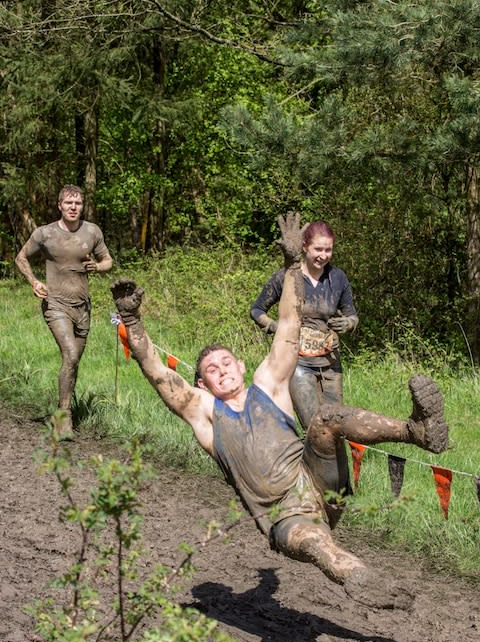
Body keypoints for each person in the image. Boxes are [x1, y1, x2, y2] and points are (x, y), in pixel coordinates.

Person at [111, 212, 448, 610]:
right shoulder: (204, 413)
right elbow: (156, 372)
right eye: (211, 371)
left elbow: (289, 323)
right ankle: (362, 577)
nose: (221, 372)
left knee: (326, 418)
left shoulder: (268, 385)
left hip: (319, 481)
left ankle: (418, 432)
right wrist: (132, 321)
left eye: (225, 363)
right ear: (202, 384)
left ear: (240, 366)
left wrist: (292, 266)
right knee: (317, 542)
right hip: (284, 517)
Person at [250, 220, 357, 499]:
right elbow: (257, 310)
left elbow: (352, 314)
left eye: (329, 250)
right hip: (298, 361)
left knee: (337, 425)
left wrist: (349, 323)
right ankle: (316, 488)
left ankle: (343, 491)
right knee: (315, 426)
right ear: (305, 248)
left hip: (331, 362)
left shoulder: (338, 278)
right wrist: (279, 329)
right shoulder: (287, 276)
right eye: (318, 249)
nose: (323, 256)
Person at [15, 184, 113, 438]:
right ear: (59, 205)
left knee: (73, 361)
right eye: (68, 203)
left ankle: (62, 407)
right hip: (55, 305)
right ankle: (64, 418)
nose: (73, 207)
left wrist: (97, 267)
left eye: (77, 203)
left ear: (82, 206)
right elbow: (20, 258)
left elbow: (108, 261)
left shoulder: (92, 231)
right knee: (70, 354)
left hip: (83, 307)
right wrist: (34, 282)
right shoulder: (45, 233)